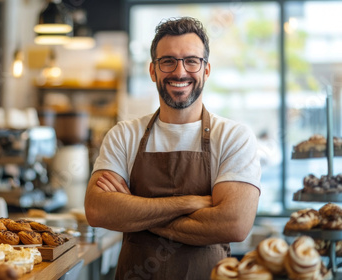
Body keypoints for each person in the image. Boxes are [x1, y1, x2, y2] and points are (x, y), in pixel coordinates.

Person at [84, 17, 261, 279]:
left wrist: (133, 210)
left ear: (206, 70)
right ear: (153, 70)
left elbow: (234, 225)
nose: (179, 72)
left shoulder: (234, 137)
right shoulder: (124, 135)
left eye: (191, 61)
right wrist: (191, 203)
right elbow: (98, 210)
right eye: (168, 61)